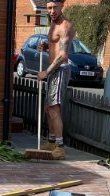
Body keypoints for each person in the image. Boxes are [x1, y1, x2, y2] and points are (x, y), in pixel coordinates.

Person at [37, 0, 73, 159]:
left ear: (61, 6)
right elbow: (55, 46)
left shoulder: (65, 26)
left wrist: (46, 71)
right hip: (53, 70)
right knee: (48, 108)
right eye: (49, 8)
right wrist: (46, 46)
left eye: (54, 7)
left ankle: (60, 146)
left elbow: (63, 55)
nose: (51, 11)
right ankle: (51, 142)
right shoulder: (53, 24)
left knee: (54, 108)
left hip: (60, 70)